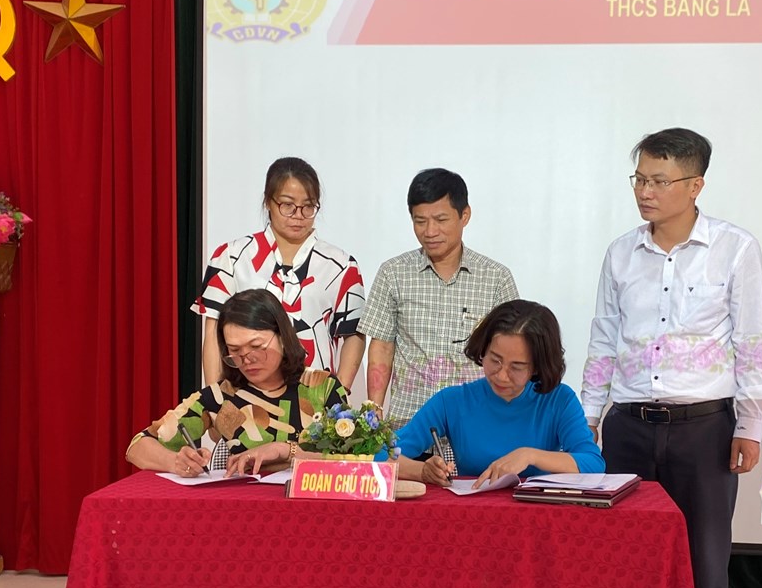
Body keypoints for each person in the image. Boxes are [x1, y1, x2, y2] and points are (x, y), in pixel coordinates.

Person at [581, 128, 762, 588]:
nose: (645, 191)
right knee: (621, 558)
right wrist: (588, 415)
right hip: (629, 425)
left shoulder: (735, 249)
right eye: (639, 178)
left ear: (695, 186)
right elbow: (604, 338)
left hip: (703, 427)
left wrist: (750, 423)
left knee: (704, 558)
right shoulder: (620, 253)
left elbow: (753, 340)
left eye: (659, 181)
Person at [361, 168, 518, 434]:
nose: (430, 231)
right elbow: (382, 347)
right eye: (420, 221)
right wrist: (374, 408)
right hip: (409, 423)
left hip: (476, 425)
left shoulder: (496, 278)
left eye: (440, 219)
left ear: (464, 215)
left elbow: (512, 353)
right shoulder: (393, 273)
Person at [128, 288, 349, 476]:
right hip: (246, 506)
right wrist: (175, 461)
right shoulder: (221, 398)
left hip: (313, 504)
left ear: (283, 337)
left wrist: (284, 450)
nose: (247, 360)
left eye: (256, 347)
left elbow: (354, 458)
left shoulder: (321, 387)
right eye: (235, 351)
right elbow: (137, 446)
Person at [192, 157, 366, 389]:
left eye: (308, 206)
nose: (298, 215)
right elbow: (214, 332)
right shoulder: (231, 257)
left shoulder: (341, 265)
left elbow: (354, 334)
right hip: (244, 394)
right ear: (268, 202)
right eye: (287, 205)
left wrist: (338, 393)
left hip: (313, 397)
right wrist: (215, 397)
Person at [395, 299, 603, 488]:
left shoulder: (559, 400)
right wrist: (422, 471)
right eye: (495, 360)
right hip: (472, 511)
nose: (502, 376)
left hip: (539, 513)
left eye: (517, 367)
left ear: (537, 367)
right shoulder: (451, 401)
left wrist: (529, 456)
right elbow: (381, 453)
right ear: (482, 350)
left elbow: (593, 463)